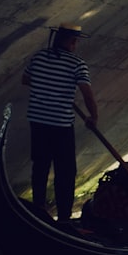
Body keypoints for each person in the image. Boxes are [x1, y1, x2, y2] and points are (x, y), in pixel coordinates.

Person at [21, 23, 98, 222]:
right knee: (65, 171)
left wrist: (45, 87)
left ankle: (38, 209)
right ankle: (64, 217)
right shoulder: (76, 63)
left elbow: (26, 79)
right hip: (60, 126)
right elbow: (87, 94)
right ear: (72, 41)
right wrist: (93, 117)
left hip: (37, 122)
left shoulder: (38, 57)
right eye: (76, 41)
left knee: (40, 166)